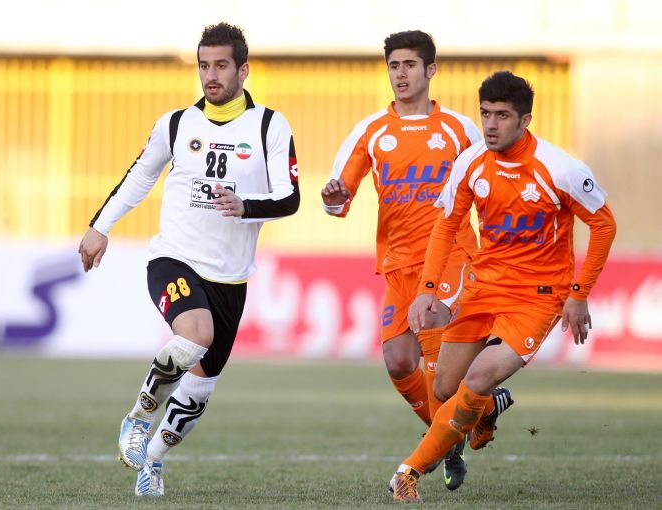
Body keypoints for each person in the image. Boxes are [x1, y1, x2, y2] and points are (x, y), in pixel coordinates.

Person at [78, 22, 300, 497]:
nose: (211, 75)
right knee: (195, 334)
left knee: (200, 388)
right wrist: (101, 226)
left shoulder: (269, 126)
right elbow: (139, 176)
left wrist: (246, 206)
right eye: (204, 66)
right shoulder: (176, 124)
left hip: (230, 278)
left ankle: (153, 460)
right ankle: (138, 418)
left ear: (243, 70)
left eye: (221, 66)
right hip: (174, 258)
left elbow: (290, 197)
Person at [391, 70, 617, 503]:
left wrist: (579, 294)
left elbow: (604, 226)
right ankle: (489, 410)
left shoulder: (561, 169)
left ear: (525, 120)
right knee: (444, 389)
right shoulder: (471, 162)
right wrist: (427, 289)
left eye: (502, 116)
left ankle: (408, 473)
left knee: (478, 377)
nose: (491, 125)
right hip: (483, 289)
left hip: (537, 298)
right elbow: (446, 225)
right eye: (485, 114)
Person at [321, 30, 486, 491]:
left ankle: (433, 449)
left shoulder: (459, 129)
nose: (401, 74)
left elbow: (489, 186)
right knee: (397, 362)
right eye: (394, 65)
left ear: (430, 70)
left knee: (436, 353)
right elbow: (338, 198)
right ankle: (458, 432)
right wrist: (333, 197)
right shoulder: (371, 131)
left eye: (410, 65)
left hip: (450, 257)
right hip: (398, 264)